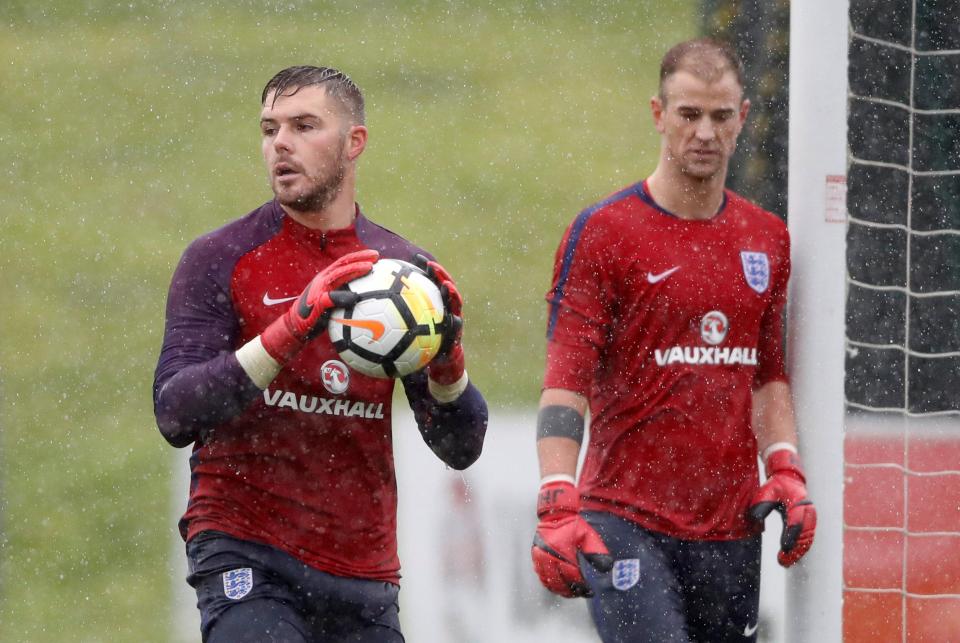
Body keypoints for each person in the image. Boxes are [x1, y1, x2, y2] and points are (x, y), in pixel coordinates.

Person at [153, 65, 487, 643]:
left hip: (363, 572)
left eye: (304, 125)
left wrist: (448, 367)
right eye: (269, 128)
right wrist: (289, 330)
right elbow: (175, 413)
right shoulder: (219, 256)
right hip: (244, 551)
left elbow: (461, 447)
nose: (280, 143)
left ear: (353, 143)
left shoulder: (399, 275)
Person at [530, 38, 817, 642]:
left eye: (720, 115)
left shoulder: (767, 238)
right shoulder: (605, 232)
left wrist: (786, 468)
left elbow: (766, 374)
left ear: (743, 118)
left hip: (732, 529)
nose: (705, 132)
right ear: (659, 115)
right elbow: (566, 380)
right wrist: (557, 497)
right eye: (689, 114)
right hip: (626, 519)